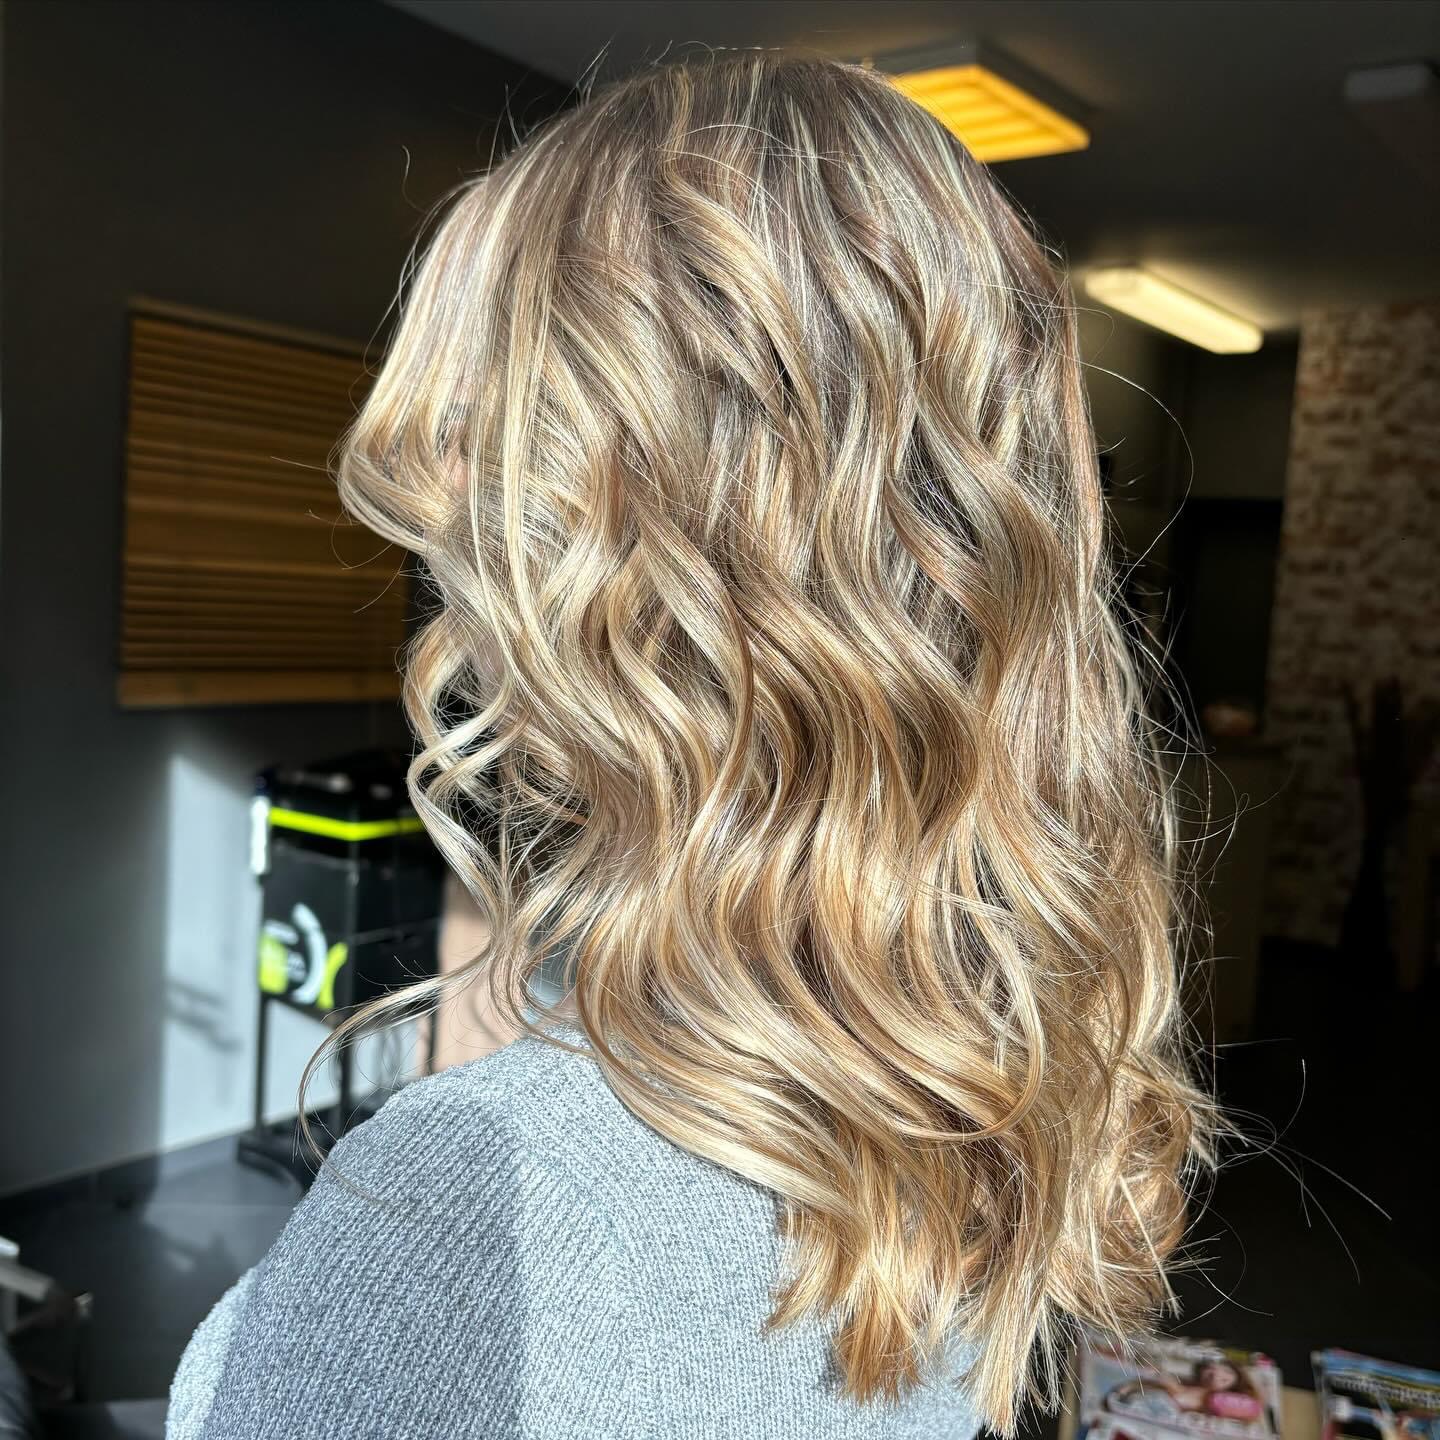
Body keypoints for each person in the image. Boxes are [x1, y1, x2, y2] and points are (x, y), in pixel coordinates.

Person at [168, 49, 1212, 1439]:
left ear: (604, 546)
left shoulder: (459, 1214)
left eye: (491, 443)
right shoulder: (976, 1077)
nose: (454, 532)